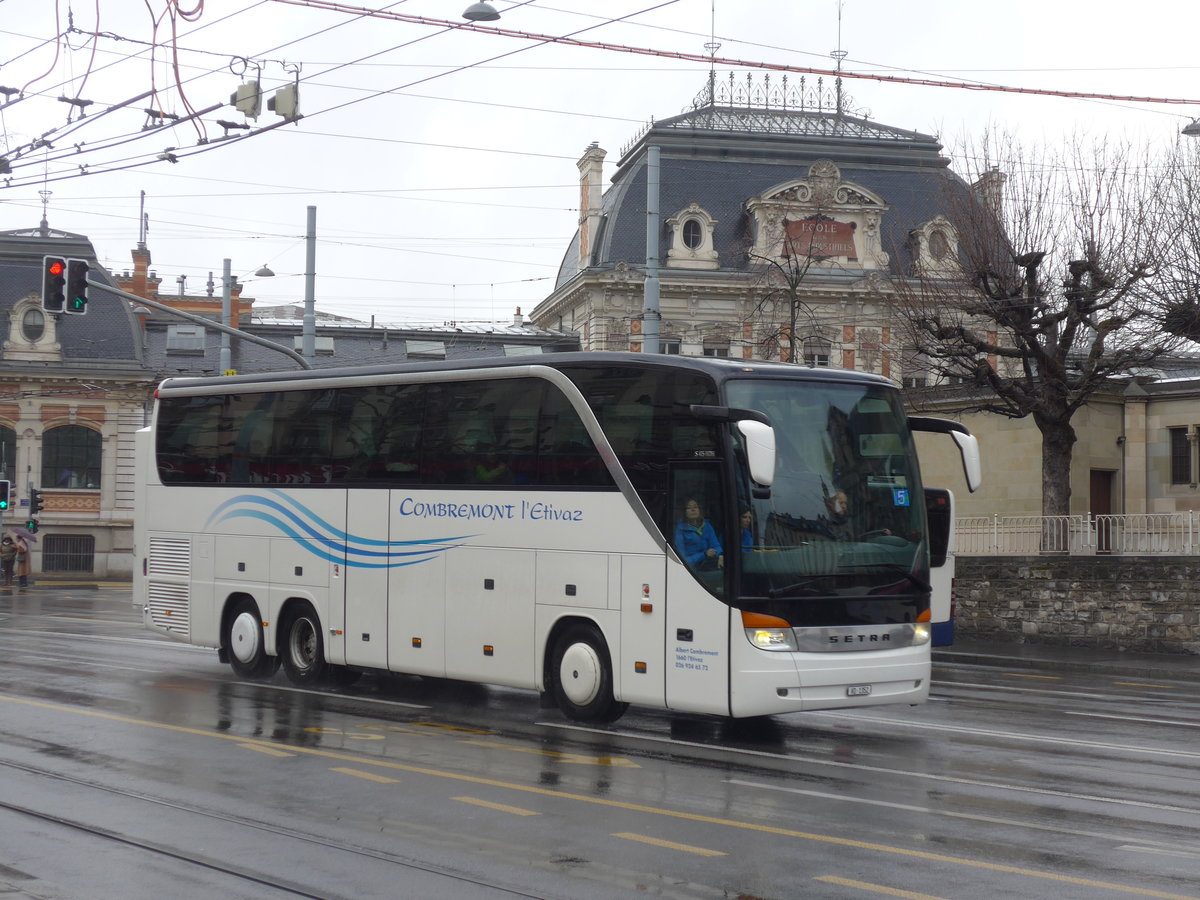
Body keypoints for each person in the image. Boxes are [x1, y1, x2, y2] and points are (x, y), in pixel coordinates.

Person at [675, 497, 723, 570]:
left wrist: (720, 555)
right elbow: (681, 559)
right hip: (690, 569)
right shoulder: (680, 530)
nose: (693, 510)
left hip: (708, 565)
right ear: (684, 512)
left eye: (695, 507)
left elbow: (715, 545)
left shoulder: (707, 525)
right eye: (689, 508)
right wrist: (704, 555)